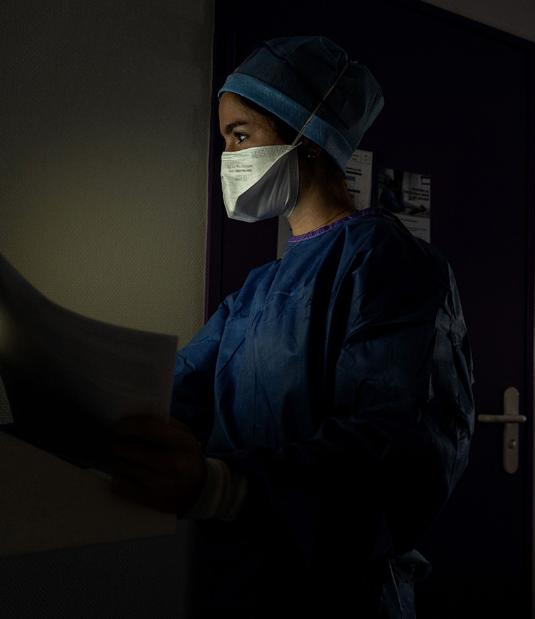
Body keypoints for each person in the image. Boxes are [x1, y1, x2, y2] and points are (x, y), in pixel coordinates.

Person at [108, 36, 475, 617]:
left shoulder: (390, 263)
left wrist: (223, 488)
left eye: (241, 136)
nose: (228, 157)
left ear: (307, 135)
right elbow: (174, 394)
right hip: (238, 579)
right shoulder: (256, 291)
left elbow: (395, 453)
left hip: (338, 593)